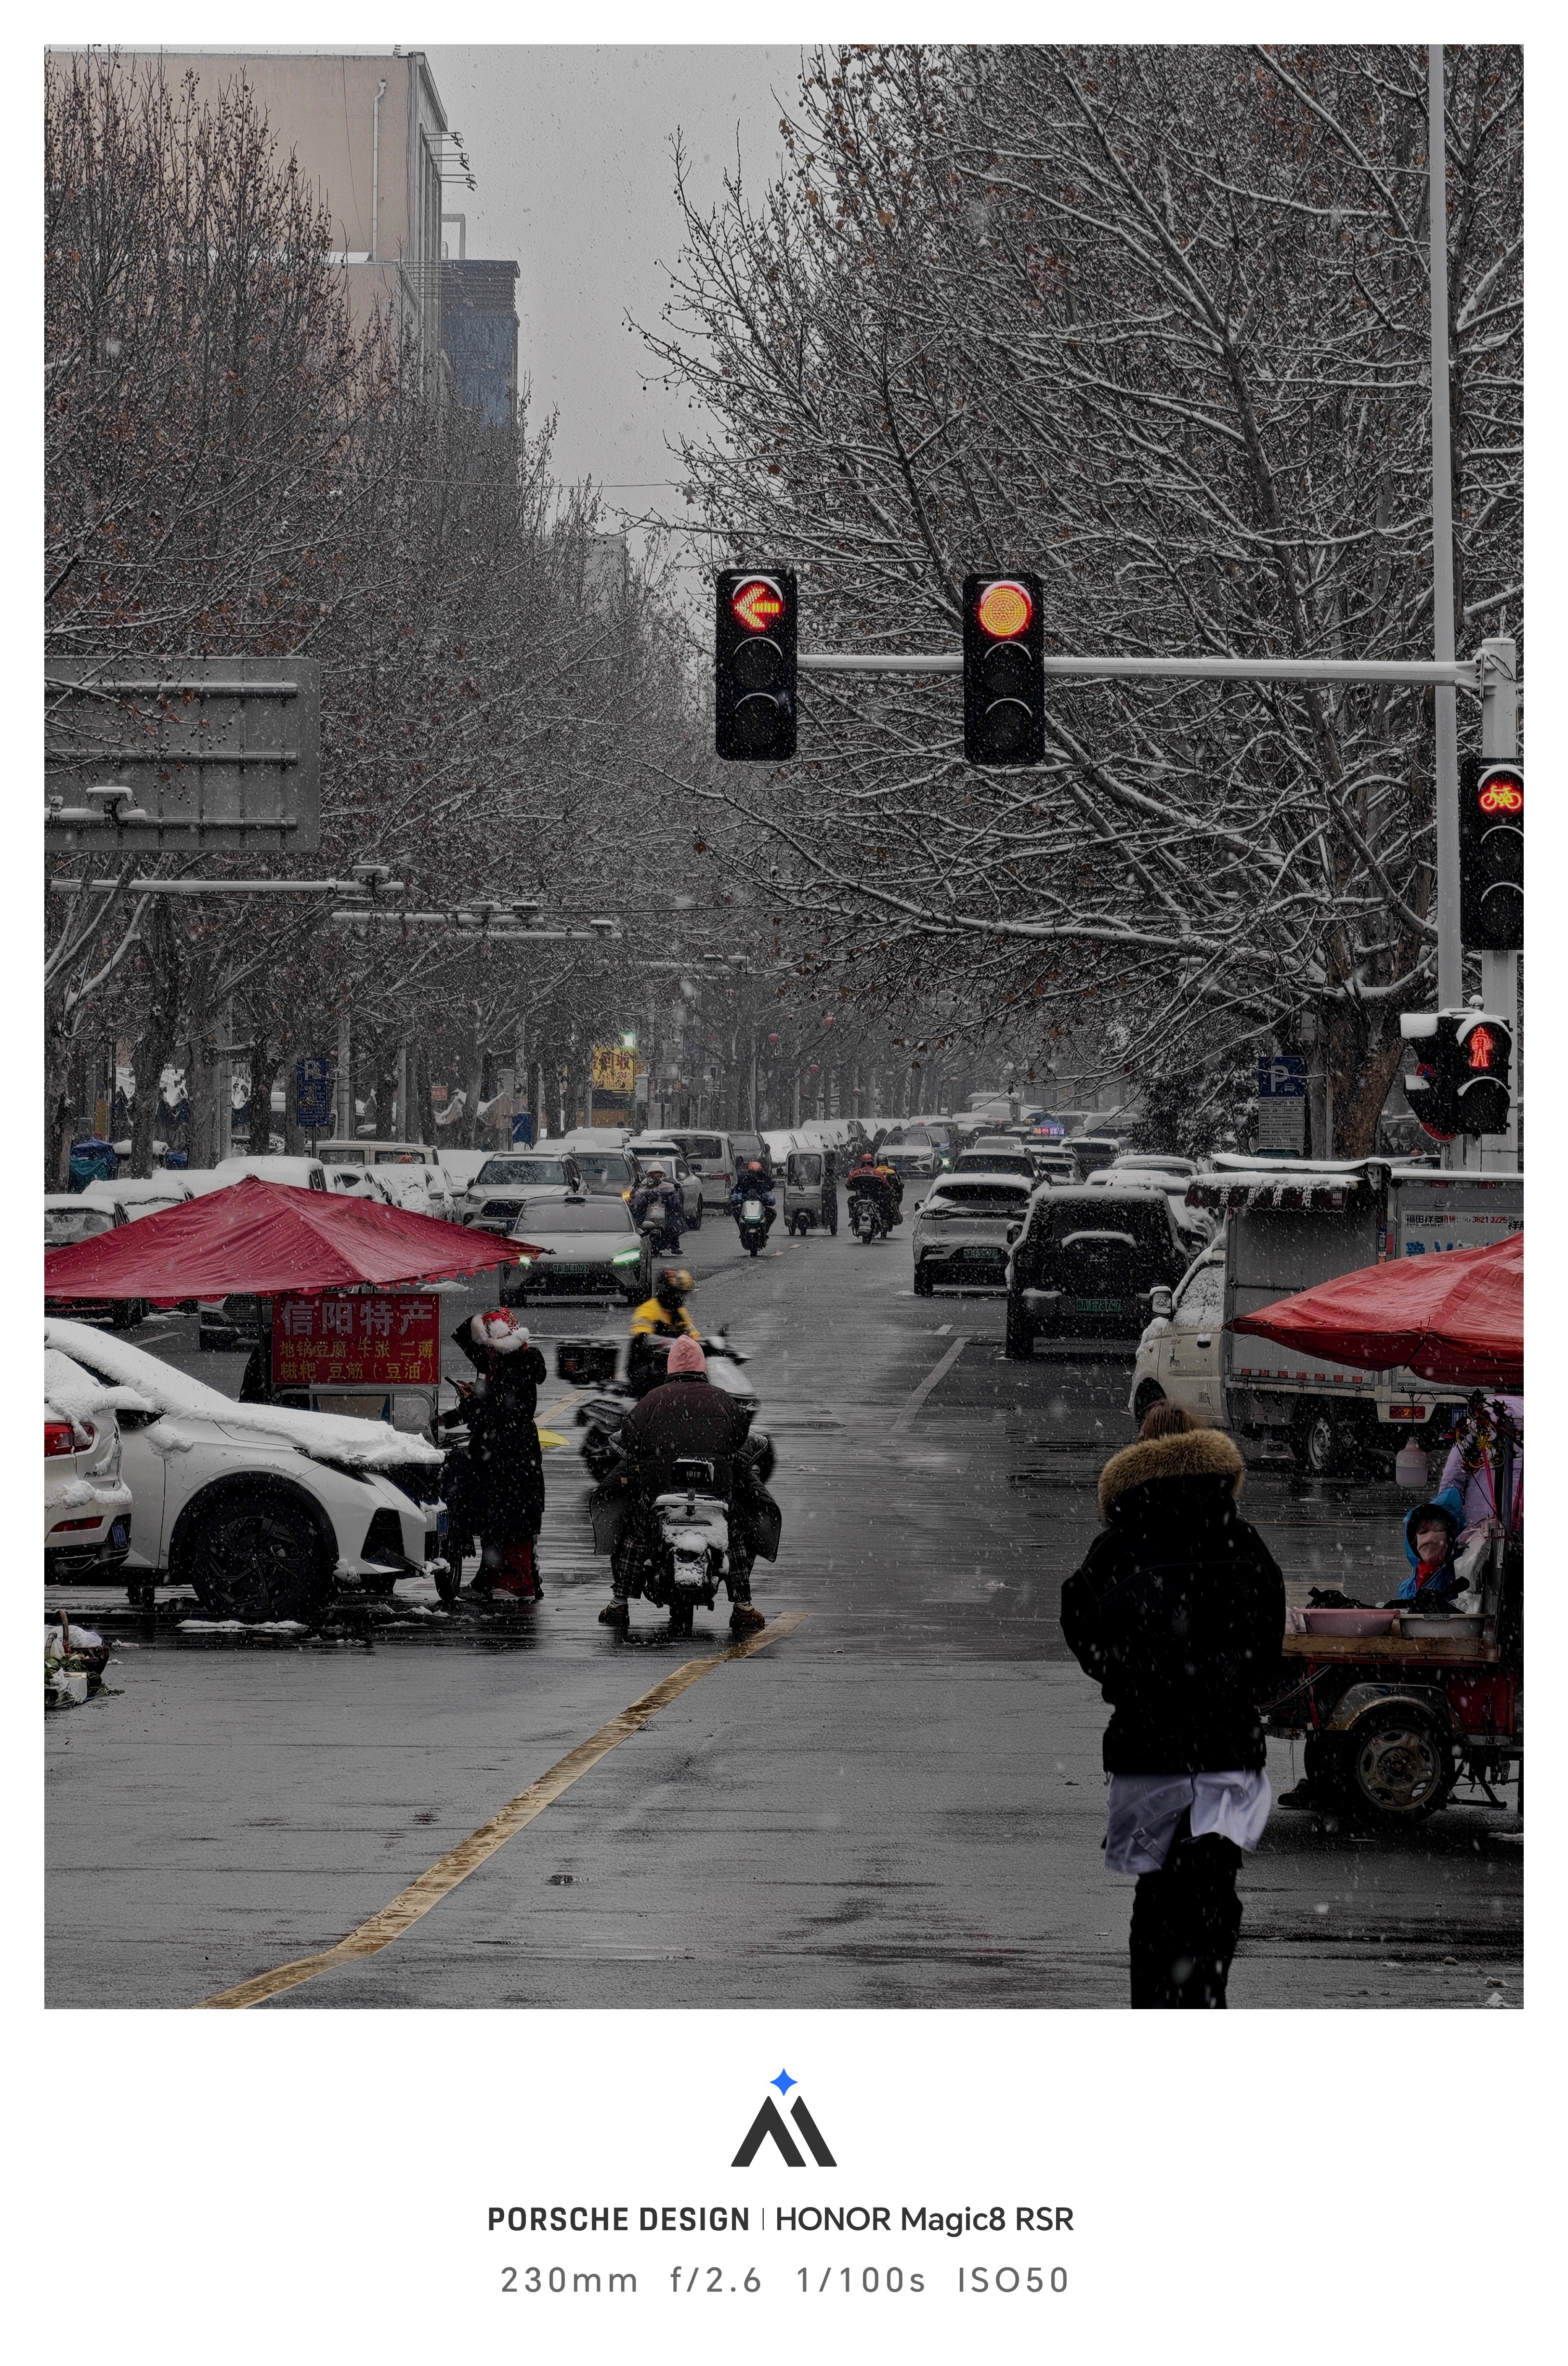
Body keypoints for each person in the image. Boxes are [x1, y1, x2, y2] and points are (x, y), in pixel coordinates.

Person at [1061, 1404, 1285, 2009]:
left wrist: (1127, 1680)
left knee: (1156, 1893)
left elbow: (1081, 1623)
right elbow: (1268, 1643)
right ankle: (1204, 2004)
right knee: (1215, 1886)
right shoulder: (1242, 1541)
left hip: (1148, 1746)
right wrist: (1235, 1682)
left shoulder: (1116, 1545)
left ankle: (1157, 2010)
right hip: (1228, 1746)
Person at [598, 1334, 767, 1634]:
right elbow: (741, 1436)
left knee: (634, 1534)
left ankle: (619, 1603)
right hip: (715, 1493)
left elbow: (629, 1436)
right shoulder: (723, 1399)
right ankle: (743, 1607)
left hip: (661, 1492)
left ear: (670, 1367)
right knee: (738, 1536)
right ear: (703, 1368)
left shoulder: (653, 1399)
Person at [437, 1308, 548, 1601]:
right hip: (510, 1453)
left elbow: (495, 1412)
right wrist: (468, 1403)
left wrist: (473, 1400)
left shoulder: (512, 1370)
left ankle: (517, 1584)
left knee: (511, 1522)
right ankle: (494, 1578)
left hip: (510, 1455)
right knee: (501, 1520)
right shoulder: (515, 1364)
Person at [627, 1265, 698, 1394]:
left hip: (677, 1368)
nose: (682, 1298)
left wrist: (713, 1345)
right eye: (679, 1293)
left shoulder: (681, 1313)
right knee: (657, 1375)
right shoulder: (648, 1310)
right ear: (667, 1291)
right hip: (649, 1368)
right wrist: (674, 1343)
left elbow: (695, 1337)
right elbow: (643, 1338)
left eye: (684, 1294)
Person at [630, 1163, 683, 1252]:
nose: (656, 1177)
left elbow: (677, 1199)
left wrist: (671, 1198)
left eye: (658, 1174)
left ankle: (674, 1245)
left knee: (673, 1225)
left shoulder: (669, 1184)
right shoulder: (644, 1185)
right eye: (653, 1174)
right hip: (648, 1213)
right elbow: (639, 1198)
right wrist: (647, 1197)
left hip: (666, 1213)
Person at [847, 1147, 903, 1229]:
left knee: (851, 1201)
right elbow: (886, 1184)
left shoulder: (856, 1172)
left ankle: (853, 1217)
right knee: (884, 1204)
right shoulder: (878, 1173)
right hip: (876, 1198)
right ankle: (882, 1220)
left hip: (860, 1197)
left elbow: (849, 1182)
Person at [729, 1158, 777, 1240]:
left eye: (756, 1173)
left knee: (772, 1213)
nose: (755, 1176)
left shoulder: (763, 1181)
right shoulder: (744, 1180)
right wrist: (735, 1198)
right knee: (736, 1210)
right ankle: (742, 1229)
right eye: (753, 1173)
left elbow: (767, 1191)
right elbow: (738, 1191)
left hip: (759, 1206)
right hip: (746, 1205)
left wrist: (769, 1200)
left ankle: (765, 1230)